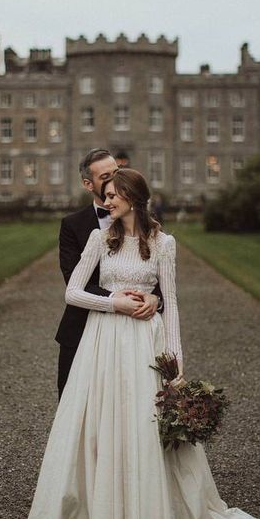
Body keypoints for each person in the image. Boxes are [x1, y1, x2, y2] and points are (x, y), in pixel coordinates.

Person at [23, 168, 260, 519]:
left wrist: (177, 366)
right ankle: (97, 514)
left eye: (113, 194)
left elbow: (171, 305)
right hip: (102, 341)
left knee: (143, 423)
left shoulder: (164, 243)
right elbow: (72, 292)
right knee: (101, 423)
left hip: (143, 343)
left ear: (132, 196)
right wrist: (113, 303)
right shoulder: (99, 238)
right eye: (104, 194)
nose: (106, 201)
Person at [55, 147, 163, 398]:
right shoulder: (73, 225)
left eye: (117, 172)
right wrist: (118, 301)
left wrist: (155, 299)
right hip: (83, 327)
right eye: (105, 178)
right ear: (87, 184)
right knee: (76, 405)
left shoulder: (148, 225)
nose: (114, 181)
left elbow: (156, 278)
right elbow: (74, 283)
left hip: (136, 333)